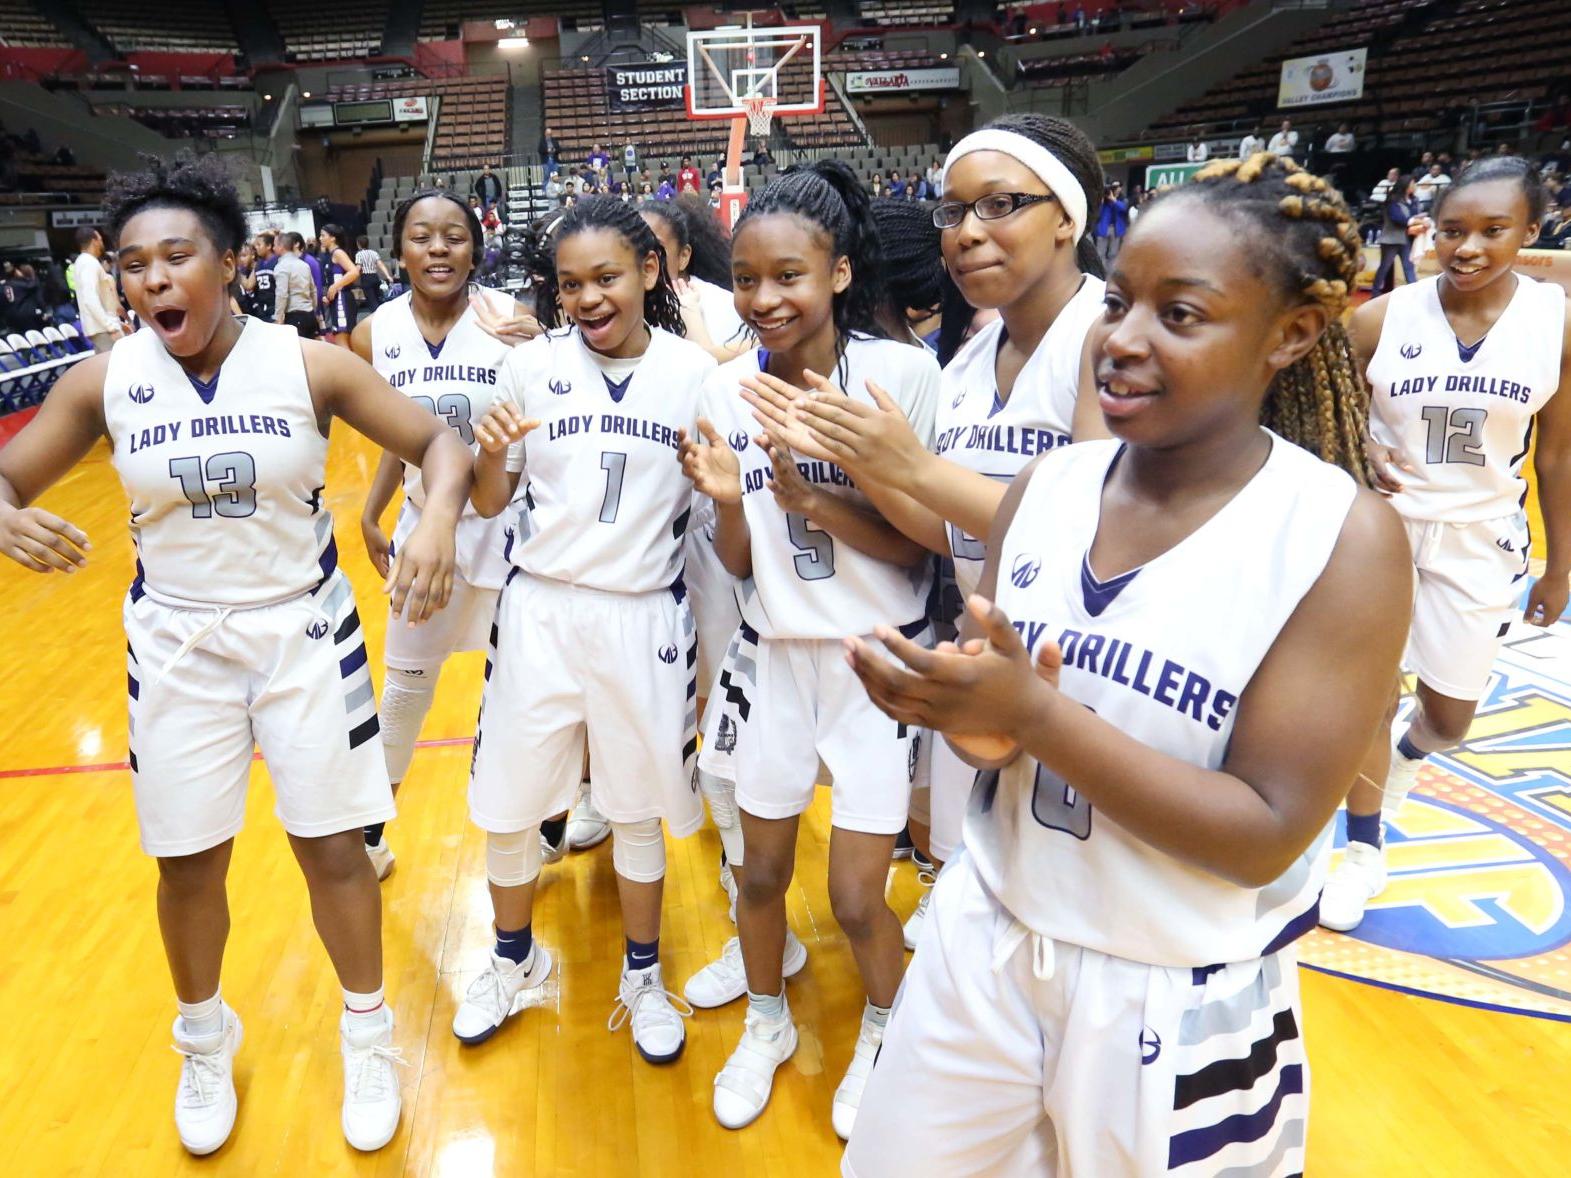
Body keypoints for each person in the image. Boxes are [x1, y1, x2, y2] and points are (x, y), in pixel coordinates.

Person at [841, 150, 1411, 1178]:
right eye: (1118, 303)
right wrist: (963, 713)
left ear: (1290, 333)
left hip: (1176, 985)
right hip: (991, 935)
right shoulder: (1045, 487)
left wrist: (1036, 716)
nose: (1122, 340)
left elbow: (1264, 832)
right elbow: (1001, 744)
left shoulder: (1340, 538)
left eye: (1177, 315)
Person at [0, 151, 475, 1156]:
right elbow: (7, 477)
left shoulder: (311, 364)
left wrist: (434, 519)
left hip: (302, 629)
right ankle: (204, 1038)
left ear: (227, 263)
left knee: (332, 849)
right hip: (174, 638)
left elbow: (444, 445)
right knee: (185, 860)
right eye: (134, 263)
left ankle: (368, 1032)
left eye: (177, 255)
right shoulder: (104, 380)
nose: (154, 278)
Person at [746, 114, 1110, 948]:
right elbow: (944, 531)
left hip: (1080, 667)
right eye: (952, 213)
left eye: (999, 206)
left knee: (1063, 918)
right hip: (981, 656)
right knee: (970, 890)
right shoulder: (970, 363)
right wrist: (853, 463)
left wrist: (907, 468)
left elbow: (1088, 522)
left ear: (1066, 214)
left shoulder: (1101, 331)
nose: (967, 232)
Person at [677, 161, 941, 1137]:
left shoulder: (897, 373)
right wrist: (727, 496)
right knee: (756, 874)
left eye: (786, 275)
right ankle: (765, 1018)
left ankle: (885, 1025)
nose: (762, 298)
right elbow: (742, 559)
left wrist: (813, 495)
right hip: (773, 655)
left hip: (875, 658)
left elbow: (923, 538)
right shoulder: (719, 385)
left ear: (835, 273)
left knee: (857, 896)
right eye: (745, 279)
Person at [453, 196, 717, 1067]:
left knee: (636, 808)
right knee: (511, 805)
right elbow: (493, 500)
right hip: (540, 610)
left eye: (606, 277)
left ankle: (642, 976)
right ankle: (511, 960)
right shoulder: (530, 370)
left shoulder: (695, 374)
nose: (589, 298)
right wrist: (490, 452)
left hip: (642, 614)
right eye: (571, 285)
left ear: (650, 271)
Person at [1320, 156, 1571, 930]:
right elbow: (1309, 419)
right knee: (1368, 694)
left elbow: (1556, 453)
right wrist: (1358, 457)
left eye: (1492, 231)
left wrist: (1559, 566)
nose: (1466, 248)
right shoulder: (1377, 318)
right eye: (1451, 230)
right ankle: (1361, 847)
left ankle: (1398, 767)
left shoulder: (1555, 320)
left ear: (1529, 232)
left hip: (1481, 537)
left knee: (1447, 720)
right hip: (1377, 534)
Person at [356, 189, 541, 879]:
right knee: (405, 688)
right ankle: (370, 836)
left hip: (505, 527)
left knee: (523, 689)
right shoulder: (374, 332)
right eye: (422, 236)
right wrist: (370, 512)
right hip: (420, 532)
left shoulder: (509, 321)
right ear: (398, 249)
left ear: (475, 247)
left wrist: (543, 347)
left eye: (454, 236)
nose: (438, 249)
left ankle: (547, 815)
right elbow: (394, 436)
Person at [71, 226, 128, 351]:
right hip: (103, 329)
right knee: (117, 367)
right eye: (100, 239)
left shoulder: (84, 261)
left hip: (100, 327)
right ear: (94, 241)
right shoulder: (88, 263)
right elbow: (90, 298)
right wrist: (110, 326)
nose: (102, 243)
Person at [1372, 173, 1423, 294]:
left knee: (1408, 266)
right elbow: (1397, 218)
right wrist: (1415, 220)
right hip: (1391, 239)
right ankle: (1375, 292)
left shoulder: (1413, 200)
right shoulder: (1392, 200)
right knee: (1385, 266)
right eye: (1412, 183)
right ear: (1406, 185)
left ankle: (1415, 293)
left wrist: (1419, 218)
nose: (1415, 186)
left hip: (1405, 238)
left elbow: (1414, 215)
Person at [319, 223, 361, 348]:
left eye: (323, 235)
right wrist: (328, 293)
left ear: (333, 238)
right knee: (344, 341)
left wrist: (335, 286)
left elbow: (354, 272)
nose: (320, 238)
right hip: (337, 300)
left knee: (342, 341)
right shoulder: (329, 255)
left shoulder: (338, 253)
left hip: (342, 300)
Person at [273, 231, 318, 337]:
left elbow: (282, 294)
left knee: (296, 351)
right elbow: (313, 290)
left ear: (281, 247)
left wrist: (278, 318)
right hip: (309, 314)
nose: (273, 248)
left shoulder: (281, 266)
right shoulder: (304, 264)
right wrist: (313, 309)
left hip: (294, 316)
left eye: (275, 245)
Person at [355, 235, 390, 315]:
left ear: (358, 244)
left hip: (366, 278)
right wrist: (388, 276)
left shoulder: (359, 254)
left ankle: (377, 317)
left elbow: (358, 268)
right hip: (375, 277)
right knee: (378, 299)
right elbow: (381, 264)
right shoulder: (374, 253)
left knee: (371, 301)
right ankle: (383, 315)